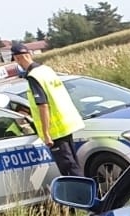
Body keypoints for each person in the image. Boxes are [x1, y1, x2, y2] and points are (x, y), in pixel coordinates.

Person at [10, 43, 84, 178]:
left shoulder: (33, 76)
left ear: (17, 58)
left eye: (16, 60)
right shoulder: (46, 70)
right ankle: (87, 189)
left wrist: (46, 134)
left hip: (55, 129)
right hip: (67, 122)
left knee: (69, 168)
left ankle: (82, 191)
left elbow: (43, 105)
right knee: (74, 164)